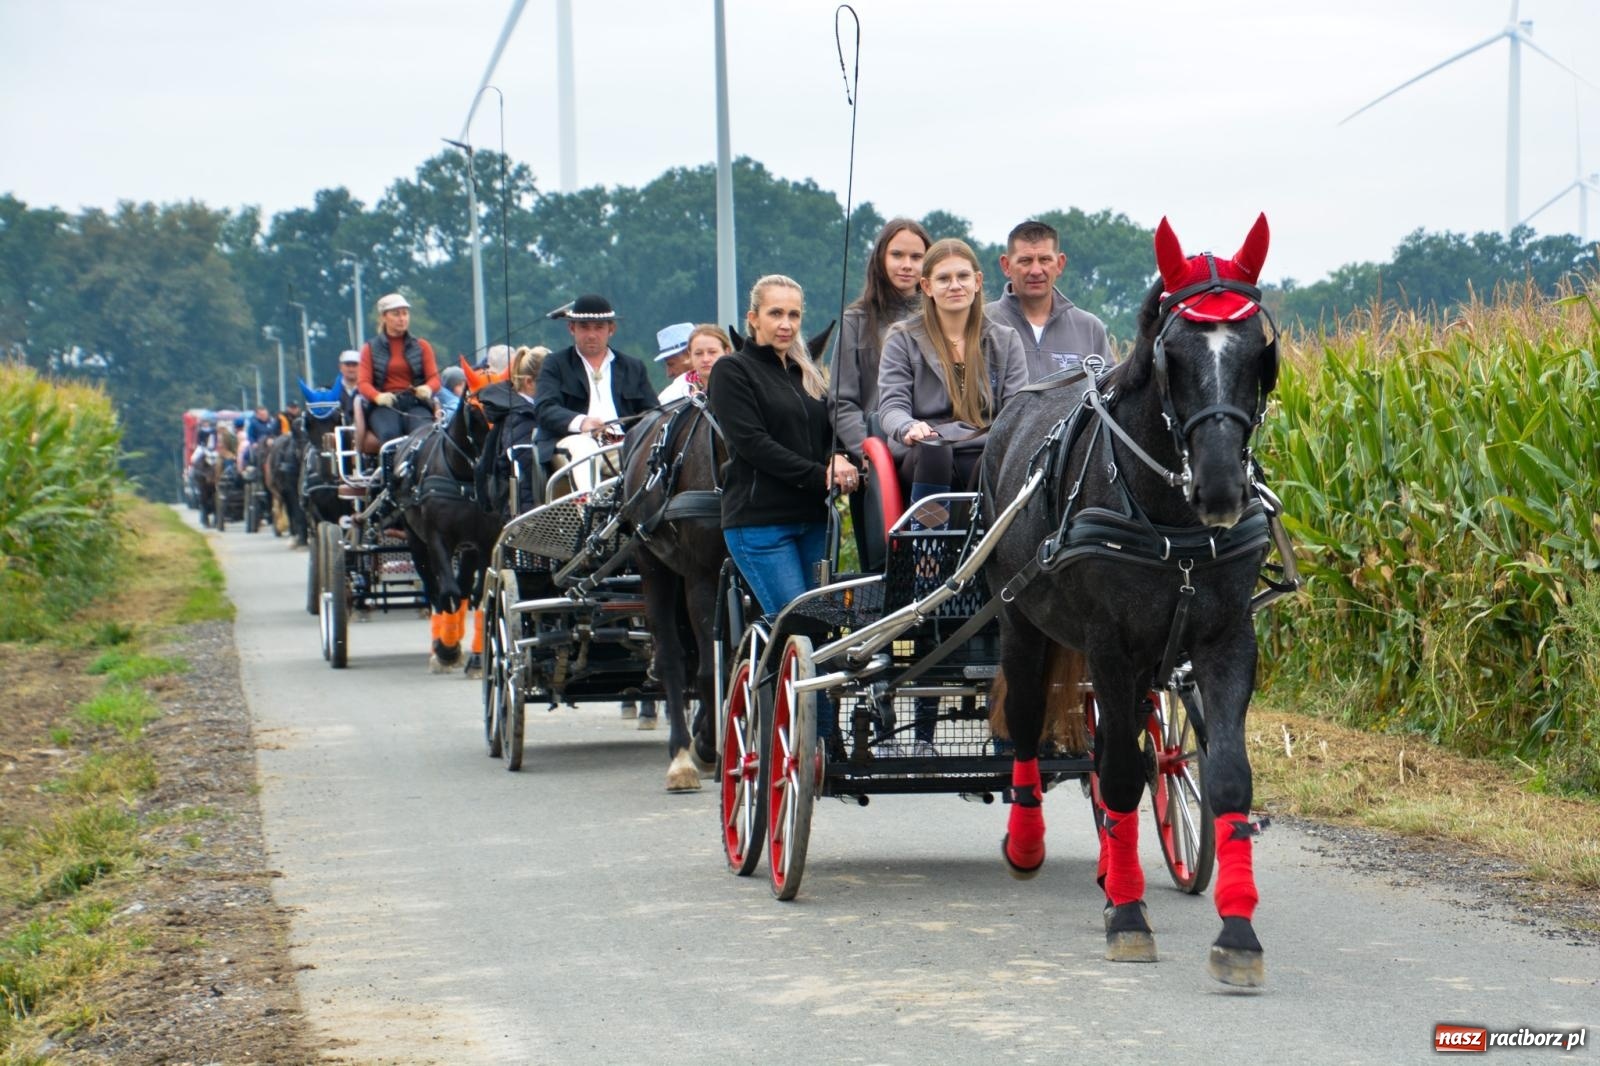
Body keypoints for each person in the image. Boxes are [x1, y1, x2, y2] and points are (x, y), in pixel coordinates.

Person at [706, 275, 859, 619]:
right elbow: (753, 444)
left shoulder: (806, 373)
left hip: (813, 519)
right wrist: (820, 475)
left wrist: (837, 457)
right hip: (761, 524)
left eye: (794, 315)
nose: (786, 324)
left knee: (823, 625)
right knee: (798, 624)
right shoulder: (732, 370)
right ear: (753, 318)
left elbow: (828, 432)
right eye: (775, 313)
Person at [878, 238, 1028, 523]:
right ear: (926, 286)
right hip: (924, 453)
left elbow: (1017, 411)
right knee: (936, 451)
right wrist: (909, 427)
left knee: (998, 459)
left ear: (977, 281)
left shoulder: (1005, 340)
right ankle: (929, 544)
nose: (955, 285)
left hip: (983, 446)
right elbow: (891, 408)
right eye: (944, 279)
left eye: (963, 276)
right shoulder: (902, 338)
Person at [833, 218, 932, 571]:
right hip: (878, 467)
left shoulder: (941, 318)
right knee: (884, 568)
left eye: (916, 257)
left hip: (932, 459)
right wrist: (869, 452)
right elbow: (842, 401)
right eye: (897, 255)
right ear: (880, 258)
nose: (907, 265)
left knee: (936, 558)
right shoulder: (856, 321)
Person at [532, 294, 656, 490]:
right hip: (570, 443)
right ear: (572, 328)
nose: (591, 334)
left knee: (654, 454)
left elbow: (653, 413)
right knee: (585, 448)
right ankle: (590, 505)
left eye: (598, 327)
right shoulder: (555, 364)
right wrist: (582, 422)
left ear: (611, 329)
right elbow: (544, 408)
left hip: (623, 445)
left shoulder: (633, 367)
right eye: (584, 327)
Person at [986, 219, 1111, 381]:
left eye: (1045, 260)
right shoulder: (981, 324)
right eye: (1025, 261)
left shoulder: (1089, 328)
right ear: (1006, 265)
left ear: (1060, 264)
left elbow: (1110, 390)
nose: (1036, 271)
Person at [358, 292, 441, 448]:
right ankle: (390, 464)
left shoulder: (422, 346)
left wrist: (427, 388)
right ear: (383, 317)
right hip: (384, 406)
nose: (402, 318)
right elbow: (363, 383)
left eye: (405, 313)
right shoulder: (370, 348)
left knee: (424, 434)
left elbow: (435, 379)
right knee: (390, 435)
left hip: (415, 403)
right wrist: (377, 396)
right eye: (396, 314)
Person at [499, 346, 548, 512]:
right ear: (529, 382)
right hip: (530, 512)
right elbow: (528, 468)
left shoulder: (533, 412)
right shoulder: (520, 417)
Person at [654, 322, 695, 403]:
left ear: (689, 354)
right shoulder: (670, 396)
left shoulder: (670, 397)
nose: (669, 374)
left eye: (671, 364)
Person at [335, 349, 362, 420]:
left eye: (355, 365)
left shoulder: (367, 391)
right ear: (340, 367)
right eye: (347, 365)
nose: (351, 369)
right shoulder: (331, 390)